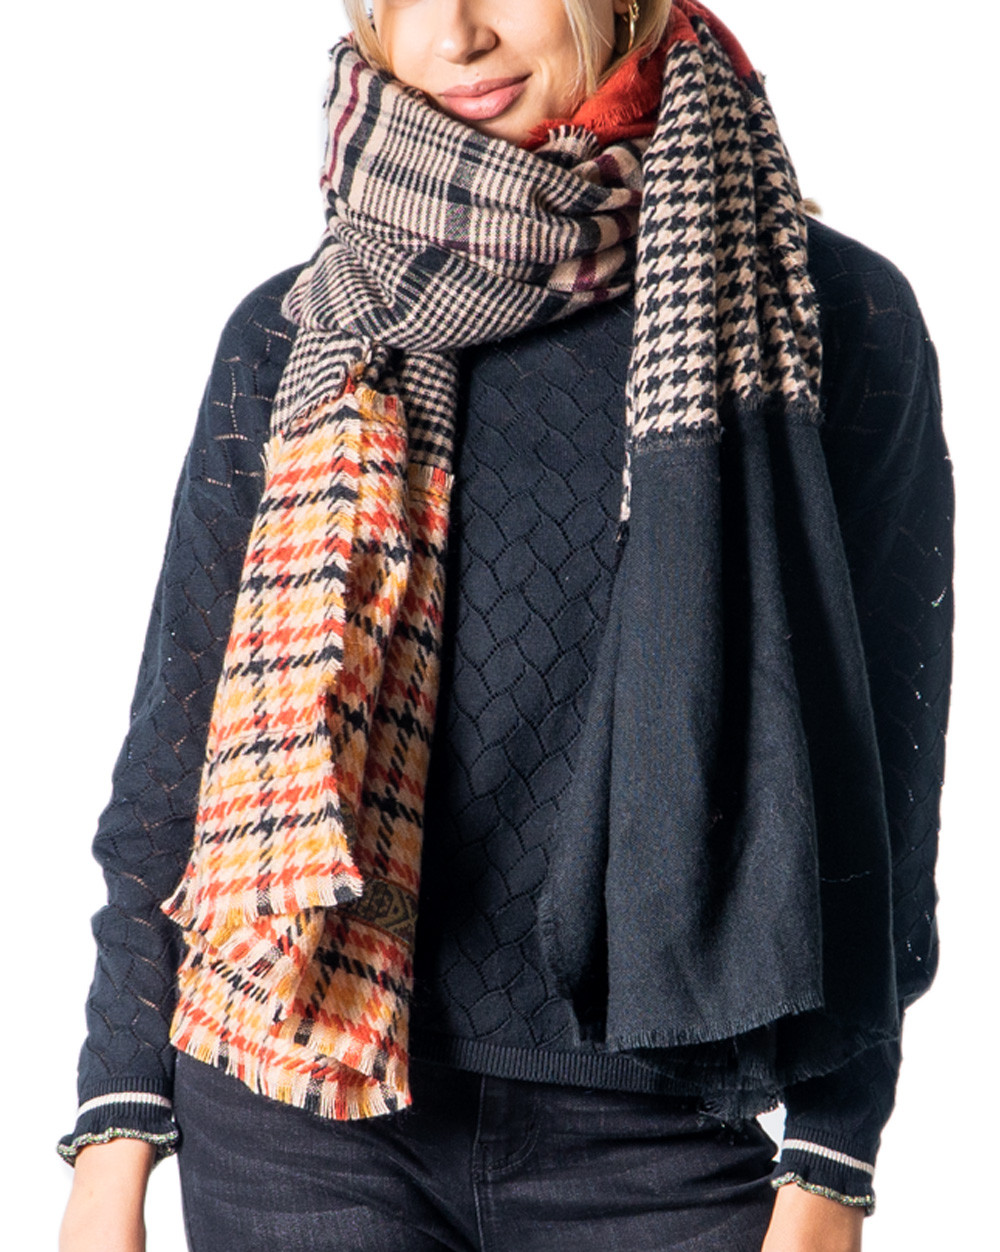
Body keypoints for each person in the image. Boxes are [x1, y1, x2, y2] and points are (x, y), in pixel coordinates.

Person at [57, 2, 953, 1250]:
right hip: (296, 1103)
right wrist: (115, 1129)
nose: (458, 35)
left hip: (665, 1130)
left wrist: (831, 1162)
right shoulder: (301, 326)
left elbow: (882, 773)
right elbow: (178, 755)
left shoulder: (821, 311)